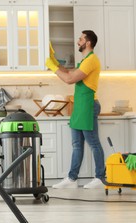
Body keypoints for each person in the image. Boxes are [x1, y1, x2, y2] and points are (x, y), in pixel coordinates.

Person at [46, 30, 105, 189]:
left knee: (93, 143)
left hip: (88, 105)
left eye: (80, 39)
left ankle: (100, 177)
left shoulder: (91, 60)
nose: (78, 41)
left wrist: (52, 67)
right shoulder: (85, 60)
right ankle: (72, 179)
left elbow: (70, 79)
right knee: (77, 144)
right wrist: (54, 61)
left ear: (88, 43)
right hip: (80, 106)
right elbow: (69, 72)